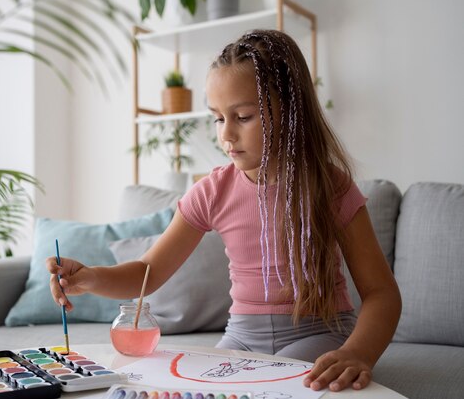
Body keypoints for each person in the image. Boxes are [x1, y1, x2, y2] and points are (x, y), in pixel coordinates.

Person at [47, 29, 401, 392]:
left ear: (291, 112)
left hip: (320, 334)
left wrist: (358, 353)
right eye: (218, 118)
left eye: (243, 117)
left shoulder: (330, 186)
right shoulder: (213, 190)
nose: (226, 135)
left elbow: (381, 294)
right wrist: (89, 277)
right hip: (241, 339)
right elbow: (147, 272)